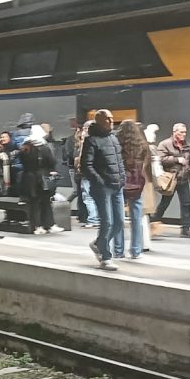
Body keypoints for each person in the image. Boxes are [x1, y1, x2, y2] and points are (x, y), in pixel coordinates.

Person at [80, 109, 123, 270]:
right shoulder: (91, 141)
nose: (112, 122)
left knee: (118, 223)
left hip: (117, 186)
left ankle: (98, 244)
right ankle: (106, 256)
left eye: (112, 119)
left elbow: (119, 162)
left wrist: (122, 179)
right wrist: (100, 181)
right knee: (107, 222)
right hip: (103, 188)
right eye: (108, 119)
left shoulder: (113, 138)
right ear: (99, 121)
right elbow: (86, 165)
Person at [151, 123, 190, 238]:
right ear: (174, 132)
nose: (184, 134)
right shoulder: (165, 144)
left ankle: (185, 229)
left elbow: (188, 159)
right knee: (164, 203)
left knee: (186, 203)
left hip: (183, 178)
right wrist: (176, 159)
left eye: (185, 132)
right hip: (171, 179)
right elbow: (160, 159)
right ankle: (152, 224)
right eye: (181, 132)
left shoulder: (187, 145)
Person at [116, 120, 151, 259]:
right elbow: (145, 165)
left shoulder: (117, 144)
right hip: (137, 183)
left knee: (118, 218)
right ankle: (136, 250)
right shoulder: (142, 145)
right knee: (136, 218)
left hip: (120, 184)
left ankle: (118, 251)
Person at [20, 124, 62, 235]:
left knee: (34, 203)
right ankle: (49, 224)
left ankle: (36, 226)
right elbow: (52, 162)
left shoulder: (25, 147)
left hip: (29, 178)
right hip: (43, 178)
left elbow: (22, 161)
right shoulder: (44, 147)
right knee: (46, 202)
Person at [76, 120, 99, 230]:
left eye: (85, 128)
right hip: (98, 173)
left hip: (87, 173)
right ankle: (98, 218)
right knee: (96, 196)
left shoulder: (87, 142)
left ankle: (93, 219)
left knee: (88, 197)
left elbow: (84, 159)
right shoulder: (101, 140)